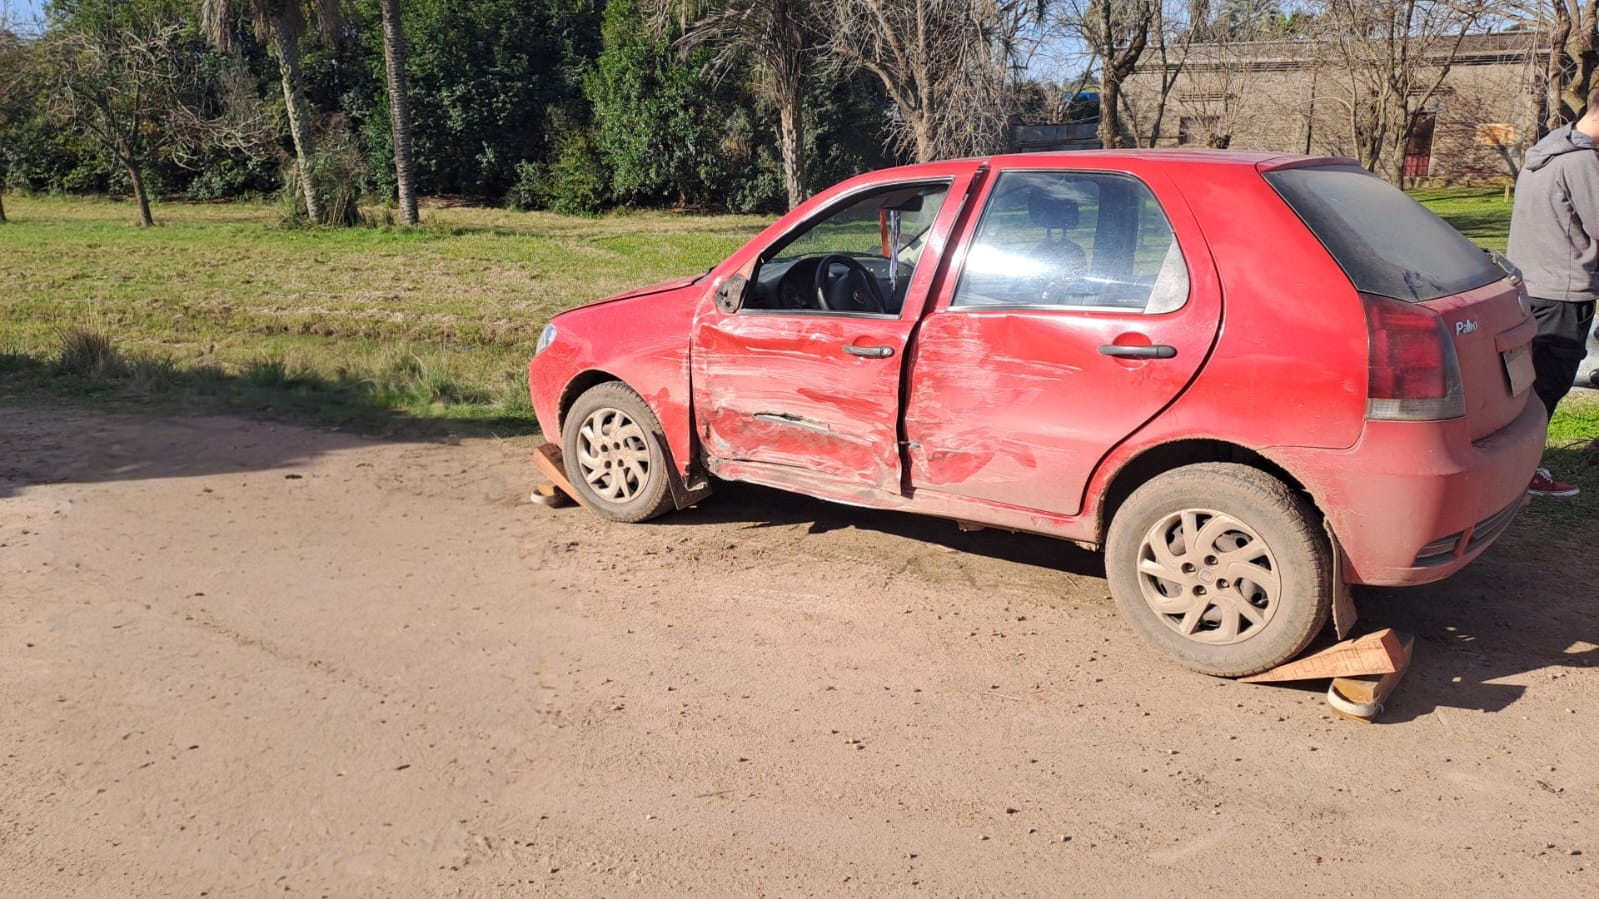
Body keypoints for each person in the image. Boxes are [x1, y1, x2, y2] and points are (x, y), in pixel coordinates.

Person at [1506, 88, 1599, 498]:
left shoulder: (1547, 152)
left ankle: (1515, 470)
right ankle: (1521, 474)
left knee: (1529, 386)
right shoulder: (1582, 162)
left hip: (1533, 287)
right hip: (1563, 292)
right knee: (1547, 386)